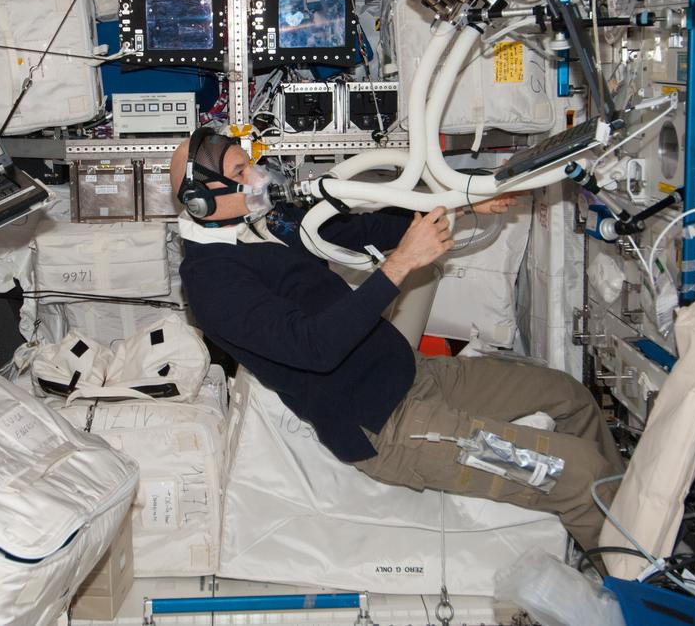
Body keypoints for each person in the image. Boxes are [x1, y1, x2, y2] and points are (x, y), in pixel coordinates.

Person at [170, 127, 625, 550]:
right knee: (581, 478)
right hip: (386, 426)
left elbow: (359, 229)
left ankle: (628, 522)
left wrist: (465, 204)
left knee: (569, 395)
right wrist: (400, 265)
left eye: (250, 164)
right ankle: (639, 577)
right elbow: (314, 347)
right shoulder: (211, 283)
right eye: (239, 173)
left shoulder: (267, 223)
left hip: (413, 374)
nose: (257, 176)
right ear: (200, 203)